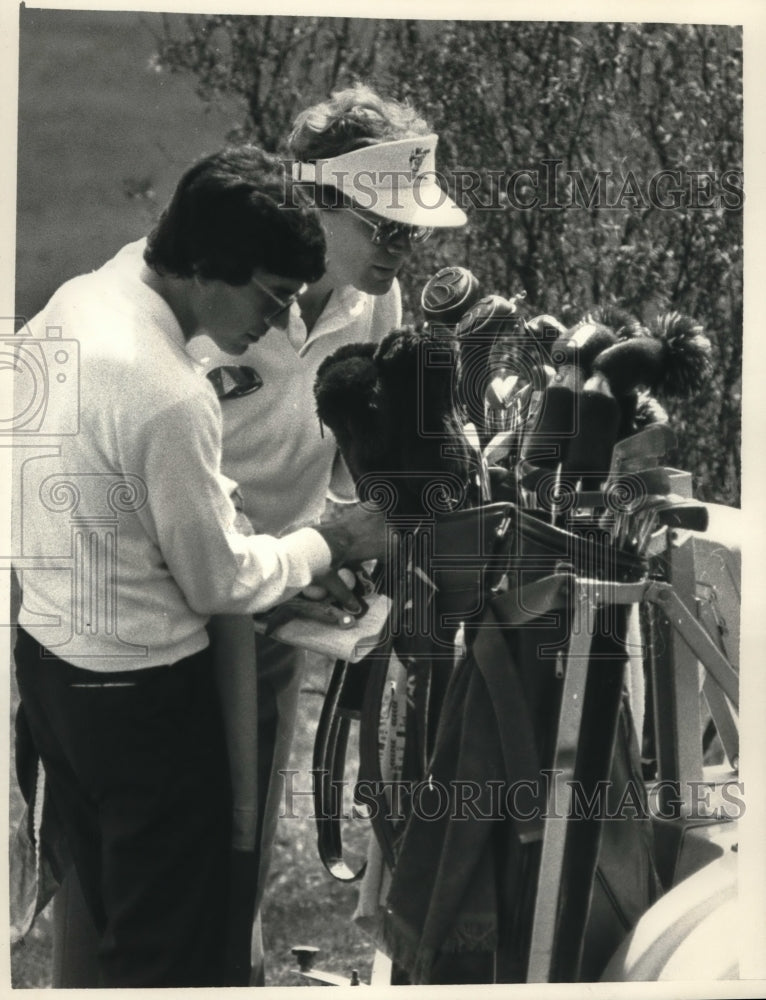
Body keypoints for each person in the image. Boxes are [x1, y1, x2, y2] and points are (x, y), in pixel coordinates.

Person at [10, 144, 387, 988]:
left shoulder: (78, 302)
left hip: (50, 670)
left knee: (104, 917)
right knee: (165, 950)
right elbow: (219, 583)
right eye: (271, 296)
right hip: (145, 705)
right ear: (213, 266)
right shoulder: (170, 392)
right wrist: (337, 541)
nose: (275, 321)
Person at [186, 83, 467, 982]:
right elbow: (164, 461)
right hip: (172, 594)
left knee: (246, 842)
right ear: (317, 199)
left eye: (414, 232)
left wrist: (334, 551)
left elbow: (346, 448)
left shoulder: (368, 298)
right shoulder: (220, 294)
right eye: (388, 227)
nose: (405, 249)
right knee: (162, 847)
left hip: (280, 599)